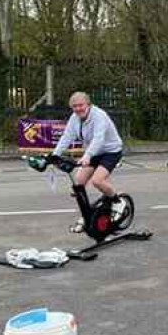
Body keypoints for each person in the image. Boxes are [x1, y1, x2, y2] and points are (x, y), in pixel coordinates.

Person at [51, 91, 126, 231]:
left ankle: (117, 200)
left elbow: (99, 139)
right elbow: (67, 136)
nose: (78, 109)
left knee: (97, 181)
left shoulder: (99, 116)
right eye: (74, 106)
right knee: (78, 183)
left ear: (88, 104)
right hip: (93, 153)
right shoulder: (75, 118)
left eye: (81, 105)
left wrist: (87, 155)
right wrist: (55, 154)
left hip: (110, 151)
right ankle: (87, 216)